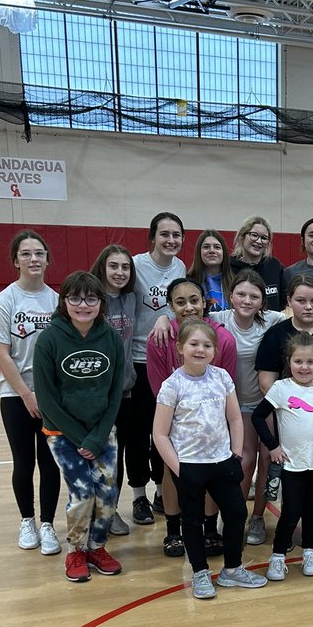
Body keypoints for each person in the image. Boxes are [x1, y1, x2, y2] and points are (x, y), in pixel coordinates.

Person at [153, 318, 267, 599]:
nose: (200, 350)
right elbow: (160, 435)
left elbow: (235, 419)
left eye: (207, 345)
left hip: (222, 462)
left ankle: (232, 569)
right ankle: (200, 572)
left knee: (237, 513)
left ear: (214, 351)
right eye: (193, 344)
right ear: (180, 347)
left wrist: (237, 454)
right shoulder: (172, 385)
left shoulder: (222, 378)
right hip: (190, 465)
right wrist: (180, 469)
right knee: (191, 521)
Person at [32, 271, 125, 583]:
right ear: (64, 301)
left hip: (101, 432)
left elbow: (115, 392)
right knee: (83, 493)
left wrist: (98, 436)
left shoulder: (111, 338)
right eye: (75, 298)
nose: (83, 305)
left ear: (101, 302)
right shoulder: (49, 339)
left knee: (109, 493)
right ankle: (76, 550)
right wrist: (78, 437)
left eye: (90, 299)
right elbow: (46, 397)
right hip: (62, 433)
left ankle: (97, 548)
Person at [255, 274, 313, 551]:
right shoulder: (276, 334)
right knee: (276, 466)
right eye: (300, 300)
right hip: (287, 416)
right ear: (289, 302)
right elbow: (266, 381)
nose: (308, 306)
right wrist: (287, 413)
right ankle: (259, 518)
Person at [0, 230, 61, 555]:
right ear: (16, 260)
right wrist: (27, 395)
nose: (34, 259)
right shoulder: (5, 300)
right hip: (16, 397)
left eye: (39, 253)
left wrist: (48, 394)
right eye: (26, 254)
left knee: (50, 462)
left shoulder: (56, 300)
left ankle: (48, 525)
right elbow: (2, 353)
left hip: (51, 397)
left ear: (46, 259)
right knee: (23, 461)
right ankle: (27, 520)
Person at [147, 277, 236, 557]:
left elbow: (226, 390)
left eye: (194, 300)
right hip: (175, 420)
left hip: (212, 422)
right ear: (171, 306)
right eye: (180, 301)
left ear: (204, 302)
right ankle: (173, 531)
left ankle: (210, 529)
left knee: (210, 473)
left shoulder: (222, 338)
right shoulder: (160, 338)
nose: (188, 307)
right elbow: (159, 386)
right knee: (173, 473)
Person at [210, 269, 288, 547]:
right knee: (243, 461)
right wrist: (161, 318)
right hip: (234, 405)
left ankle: (257, 517)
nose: (246, 300)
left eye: (254, 296)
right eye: (241, 294)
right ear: (230, 296)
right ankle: (235, 516)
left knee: (268, 459)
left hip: (265, 404)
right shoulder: (217, 320)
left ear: (262, 301)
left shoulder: (272, 320)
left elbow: (307, 315)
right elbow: (182, 321)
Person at [252, 334, 313, 581]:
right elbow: (257, 417)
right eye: (299, 361)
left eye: (310, 362)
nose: (304, 367)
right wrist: (273, 446)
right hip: (292, 464)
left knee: (311, 511)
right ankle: (277, 556)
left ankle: (310, 552)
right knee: (291, 511)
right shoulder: (281, 388)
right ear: (289, 361)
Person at [129, 212, 187, 525]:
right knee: (139, 433)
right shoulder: (137, 266)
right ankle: (138, 495)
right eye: (164, 234)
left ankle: (163, 492)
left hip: (167, 360)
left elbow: (174, 308)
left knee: (164, 431)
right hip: (139, 359)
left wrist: (164, 317)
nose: (170, 241)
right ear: (153, 237)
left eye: (176, 235)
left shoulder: (179, 267)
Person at [90, 244, 137, 536]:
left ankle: (112, 510)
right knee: (97, 455)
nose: (120, 272)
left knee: (117, 457)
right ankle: (93, 512)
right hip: (97, 394)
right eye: (114, 266)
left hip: (126, 391)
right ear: (102, 268)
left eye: (125, 267)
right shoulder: (91, 300)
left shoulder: (132, 299)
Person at [228, 216, 287, 311]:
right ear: (242, 236)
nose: (259, 241)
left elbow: (285, 301)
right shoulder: (228, 266)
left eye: (264, 238)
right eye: (254, 235)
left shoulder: (274, 266)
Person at [188, 229, 232, 312]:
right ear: (199, 252)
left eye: (217, 247)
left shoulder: (235, 283)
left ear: (224, 253)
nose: (212, 251)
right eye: (206, 247)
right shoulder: (188, 282)